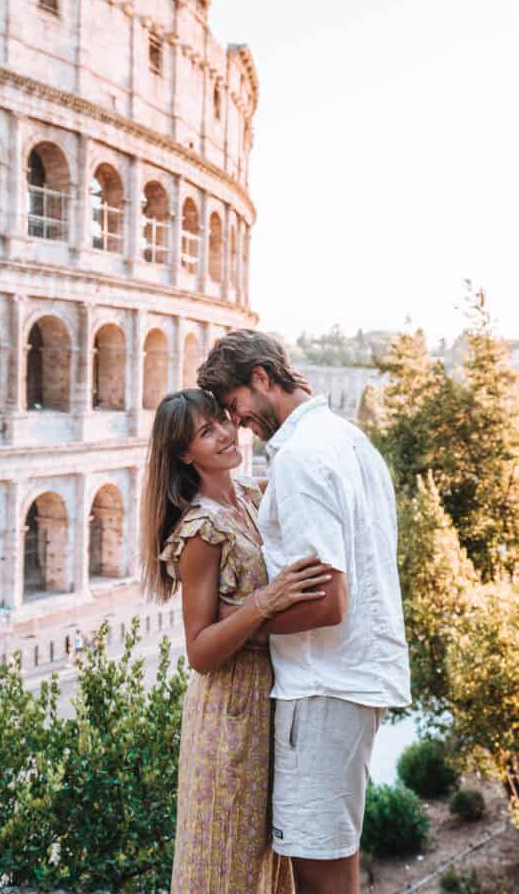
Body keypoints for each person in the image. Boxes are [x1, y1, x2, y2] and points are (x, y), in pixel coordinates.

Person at [197, 330, 411, 894]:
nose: (242, 425)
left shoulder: (299, 456)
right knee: (329, 863)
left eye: (238, 409)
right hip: (349, 683)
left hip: (323, 688)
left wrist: (240, 625)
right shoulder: (346, 437)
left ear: (262, 378)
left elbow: (330, 599)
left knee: (321, 878)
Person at [140, 388, 332, 894]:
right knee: (226, 861)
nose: (226, 434)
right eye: (207, 432)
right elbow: (200, 651)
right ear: (185, 454)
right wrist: (264, 603)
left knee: (265, 861)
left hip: (270, 702)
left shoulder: (250, 496)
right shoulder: (201, 530)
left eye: (223, 420)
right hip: (228, 716)